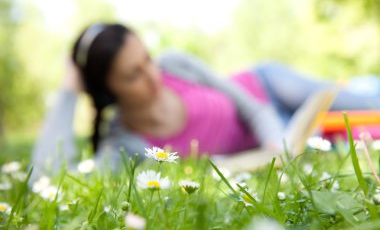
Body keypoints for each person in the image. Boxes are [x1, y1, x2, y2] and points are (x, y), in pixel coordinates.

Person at [32, 23, 380, 176]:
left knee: (363, 104)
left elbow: (254, 108)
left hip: (268, 89)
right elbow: (46, 177)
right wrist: (67, 93)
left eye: (147, 60)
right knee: (362, 135)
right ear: (109, 91)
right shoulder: (123, 144)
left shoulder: (174, 64)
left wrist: (276, 142)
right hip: (285, 135)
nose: (153, 75)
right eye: (133, 74)